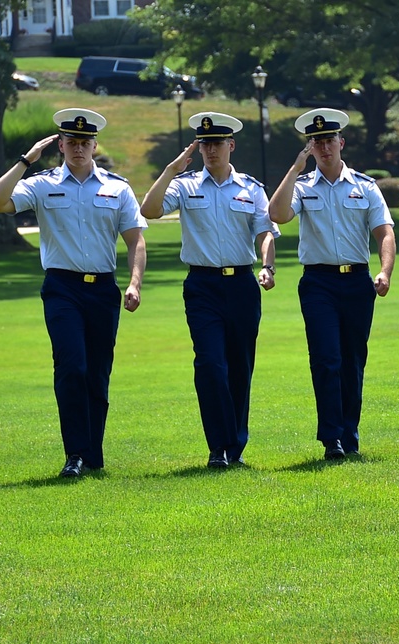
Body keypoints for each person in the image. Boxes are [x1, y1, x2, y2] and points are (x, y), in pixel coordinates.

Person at [0, 108, 147, 478]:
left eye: (84, 142)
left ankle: (92, 454)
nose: (78, 148)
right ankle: (74, 453)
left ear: (94, 145)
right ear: (60, 144)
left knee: (97, 374)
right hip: (62, 288)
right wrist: (26, 160)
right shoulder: (42, 184)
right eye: (71, 142)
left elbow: (135, 238)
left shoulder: (116, 187)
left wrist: (135, 282)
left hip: (103, 289)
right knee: (71, 366)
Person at [140, 112, 278, 468]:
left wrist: (267, 266)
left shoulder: (251, 188)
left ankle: (236, 448)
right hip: (202, 285)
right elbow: (150, 210)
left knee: (239, 367)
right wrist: (170, 170)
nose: (211, 150)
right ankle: (219, 448)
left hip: (242, 284)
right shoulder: (185, 186)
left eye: (217, 144)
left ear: (230, 146)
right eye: (204, 145)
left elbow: (265, 233)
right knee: (210, 364)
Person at [268, 108, 395, 460]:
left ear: (341, 142)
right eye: (317, 142)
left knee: (353, 360)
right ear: (311, 147)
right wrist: (295, 169)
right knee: (327, 358)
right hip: (319, 282)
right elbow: (277, 214)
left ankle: (349, 434)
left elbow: (384, 232)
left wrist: (384, 271)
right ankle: (332, 438)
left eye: (329, 140)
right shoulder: (303, 186)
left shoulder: (365, 187)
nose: (324, 147)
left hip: (356, 281)